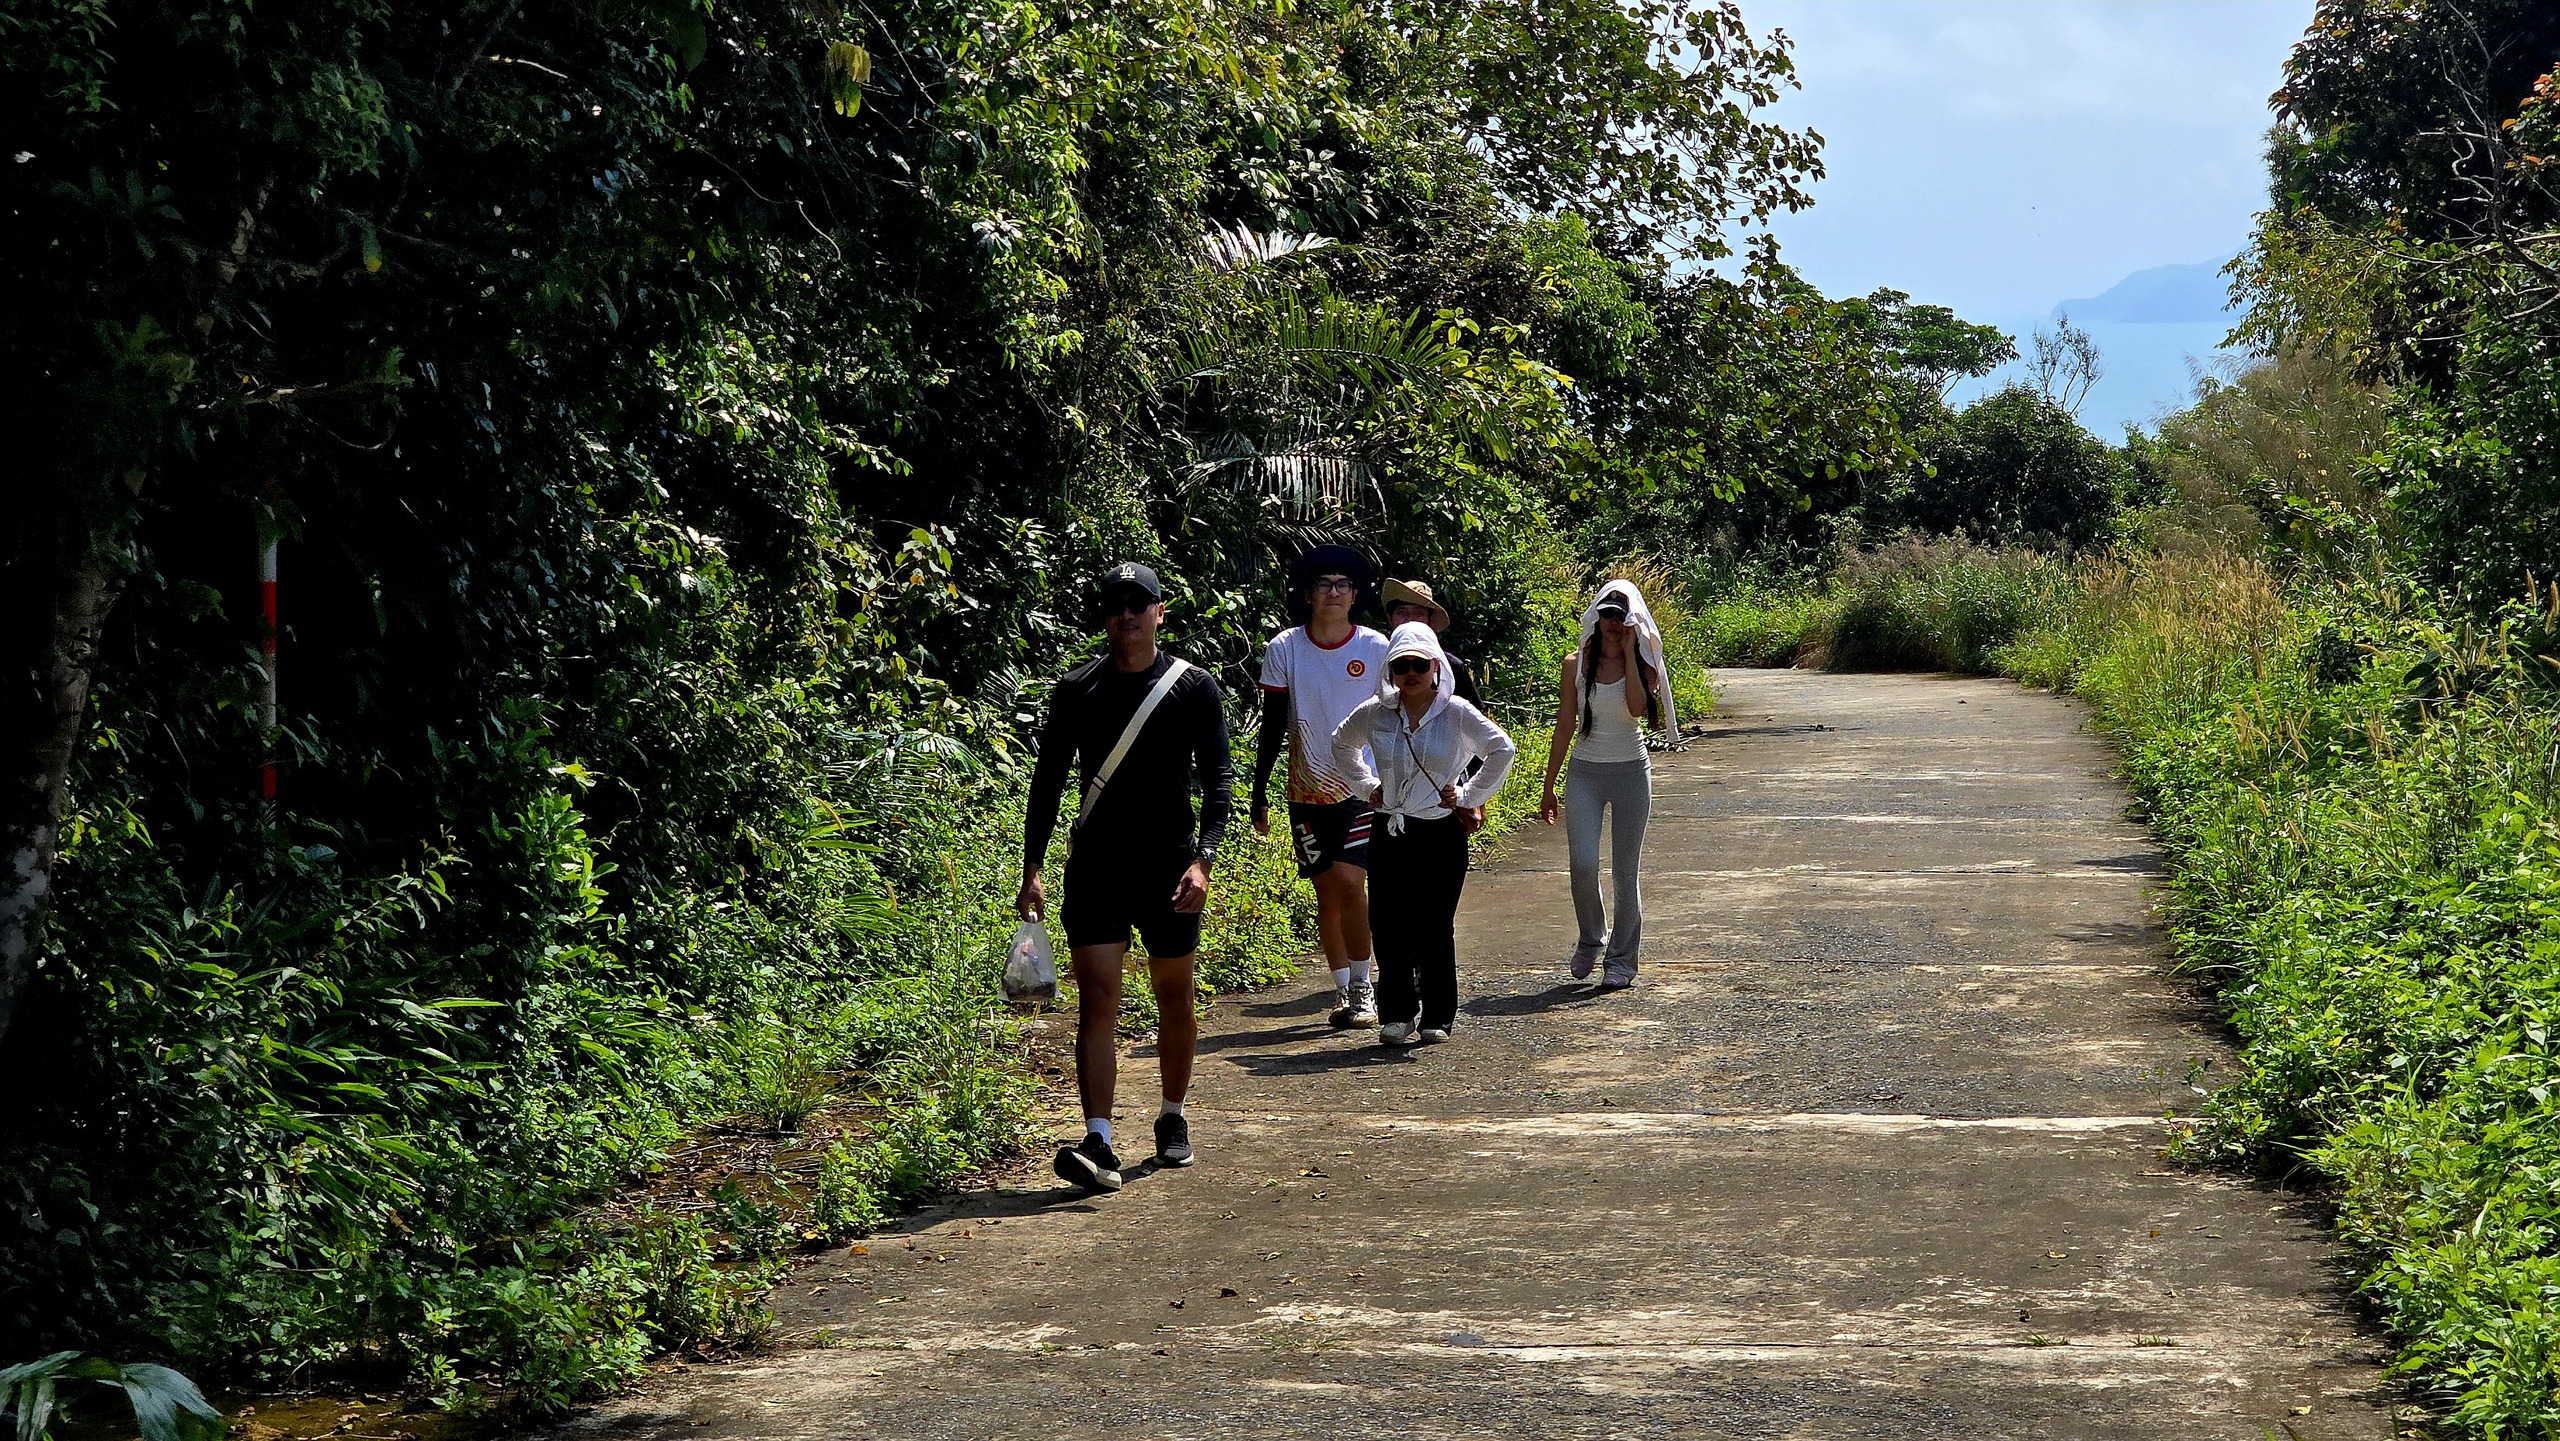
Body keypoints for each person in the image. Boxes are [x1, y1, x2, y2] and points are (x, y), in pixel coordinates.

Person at [1019, 561, 1232, 1194]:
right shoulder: (1076, 691)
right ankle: (1099, 1138)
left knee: (1174, 993)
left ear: (1159, 612)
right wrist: (1031, 869)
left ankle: (1172, 1115)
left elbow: (1218, 778)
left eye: (1139, 604)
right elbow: (1048, 784)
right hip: (1096, 867)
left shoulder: (1194, 689)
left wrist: (1203, 860)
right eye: (1115, 606)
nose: (1127, 615)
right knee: (1098, 1000)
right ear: (1105, 618)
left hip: (1168, 866)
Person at [1332, 623, 1516, 1045]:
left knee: (1434, 924)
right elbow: (1341, 744)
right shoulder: (1376, 712)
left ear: (1435, 666)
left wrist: (1468, 794)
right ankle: (1396, 1014)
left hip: (1439, 832)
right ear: (1390, 669)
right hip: (1390, 826)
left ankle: (1438, 1015)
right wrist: (1366, 787)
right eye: (1401, 665)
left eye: (1419, 664)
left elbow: (1501, 749)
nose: (1410, 673)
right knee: (1388, 922)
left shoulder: (1455, 712)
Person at [1250, 545, 1389, 1028]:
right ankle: (1345, 990)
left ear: (1355, 595)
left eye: (1343, 585)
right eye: (1324, 584)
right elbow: (1272, 724)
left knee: (1352, 883)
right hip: (1306, 788)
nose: (1334, 592)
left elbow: (1395, 716)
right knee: (1327, 891)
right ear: (1307, 594)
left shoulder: (1376, 648)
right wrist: (1258, 789)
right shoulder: (1283, 648)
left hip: (1364, 787)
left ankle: (1365, 986)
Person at [1537, 580, 1680, 991]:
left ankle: (1621, 960)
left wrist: (1633, 652)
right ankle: (1590, 937)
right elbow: (1566, 723)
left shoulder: (1646, 662)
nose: (1613, 622)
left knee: (1624, 871)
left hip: (1631, 772)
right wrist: (1549, 786)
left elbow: (1636, 708)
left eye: (1621, 615)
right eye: (1606, 614)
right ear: (1595, 618)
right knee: (1582, 865)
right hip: (1585, 771)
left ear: (1632, 619)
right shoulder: (1575, 663)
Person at [1381, 578, 1484, 708]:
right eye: (1402, 613)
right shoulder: (1376, 657)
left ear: (1429, 621)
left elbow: (1474, 721)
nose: (1410, 620)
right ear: (1390, 618)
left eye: (1419, 613)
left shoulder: (1452, 667)